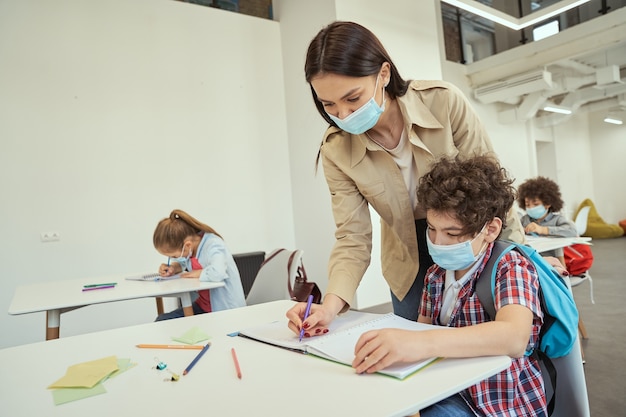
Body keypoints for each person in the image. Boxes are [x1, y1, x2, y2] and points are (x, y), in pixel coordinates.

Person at [286, 21, 524, 335]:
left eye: (352, 98)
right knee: (414, 354)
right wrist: (329, 308)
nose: (343, 115)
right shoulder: (336, 150)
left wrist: (519, 256)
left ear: (383, 74)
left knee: (485, 342)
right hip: (407, 255)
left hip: (471, 239)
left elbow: (493, 193)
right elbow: (352, 238)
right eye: (329, 105)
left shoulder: (443, 102)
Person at [353, 155, 547, 416]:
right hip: (449, 388)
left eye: (452, 234)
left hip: (497, 401)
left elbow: (514, 337)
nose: (438, 242)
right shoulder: (435, 275)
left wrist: (421, 343)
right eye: (432, 229)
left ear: (490, 230)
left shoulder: (509, 266)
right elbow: (419, 331)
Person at [152, 209, 245, 321]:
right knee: (162, 320)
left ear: (187, 245)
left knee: (175, 325)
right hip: (202, 307)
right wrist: (173, 268)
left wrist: (199, 273)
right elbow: (183, 262)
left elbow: (218, 272)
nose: (174, 259)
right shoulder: (190, 250)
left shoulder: (214, 245)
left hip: (224, 309)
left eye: (174, 256)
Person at [517, 176, 577, 263]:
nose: (531, 208)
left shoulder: (556, 219)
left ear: (547, 203)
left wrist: (544, 230)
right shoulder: (525, 219)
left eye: (536, 204)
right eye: (527, 204)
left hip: (552, 261)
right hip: (530, 259)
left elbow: (572, 231)